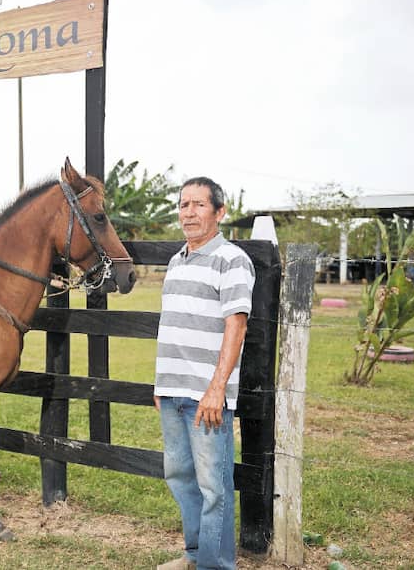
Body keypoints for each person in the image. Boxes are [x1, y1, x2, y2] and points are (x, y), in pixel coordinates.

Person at [154, 177, 255, 570]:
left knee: (214, 487)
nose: (189, 213)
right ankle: (195, 556)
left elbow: (237, 325)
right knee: (180, 476)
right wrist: (161, 382)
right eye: (184, 205)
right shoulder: (176, 261)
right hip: (172, 389)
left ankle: (217, 565)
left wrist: (217, 389)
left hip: (207, 396)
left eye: (199, 205)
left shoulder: (231, 259)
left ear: (219, 211)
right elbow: (174, 325)